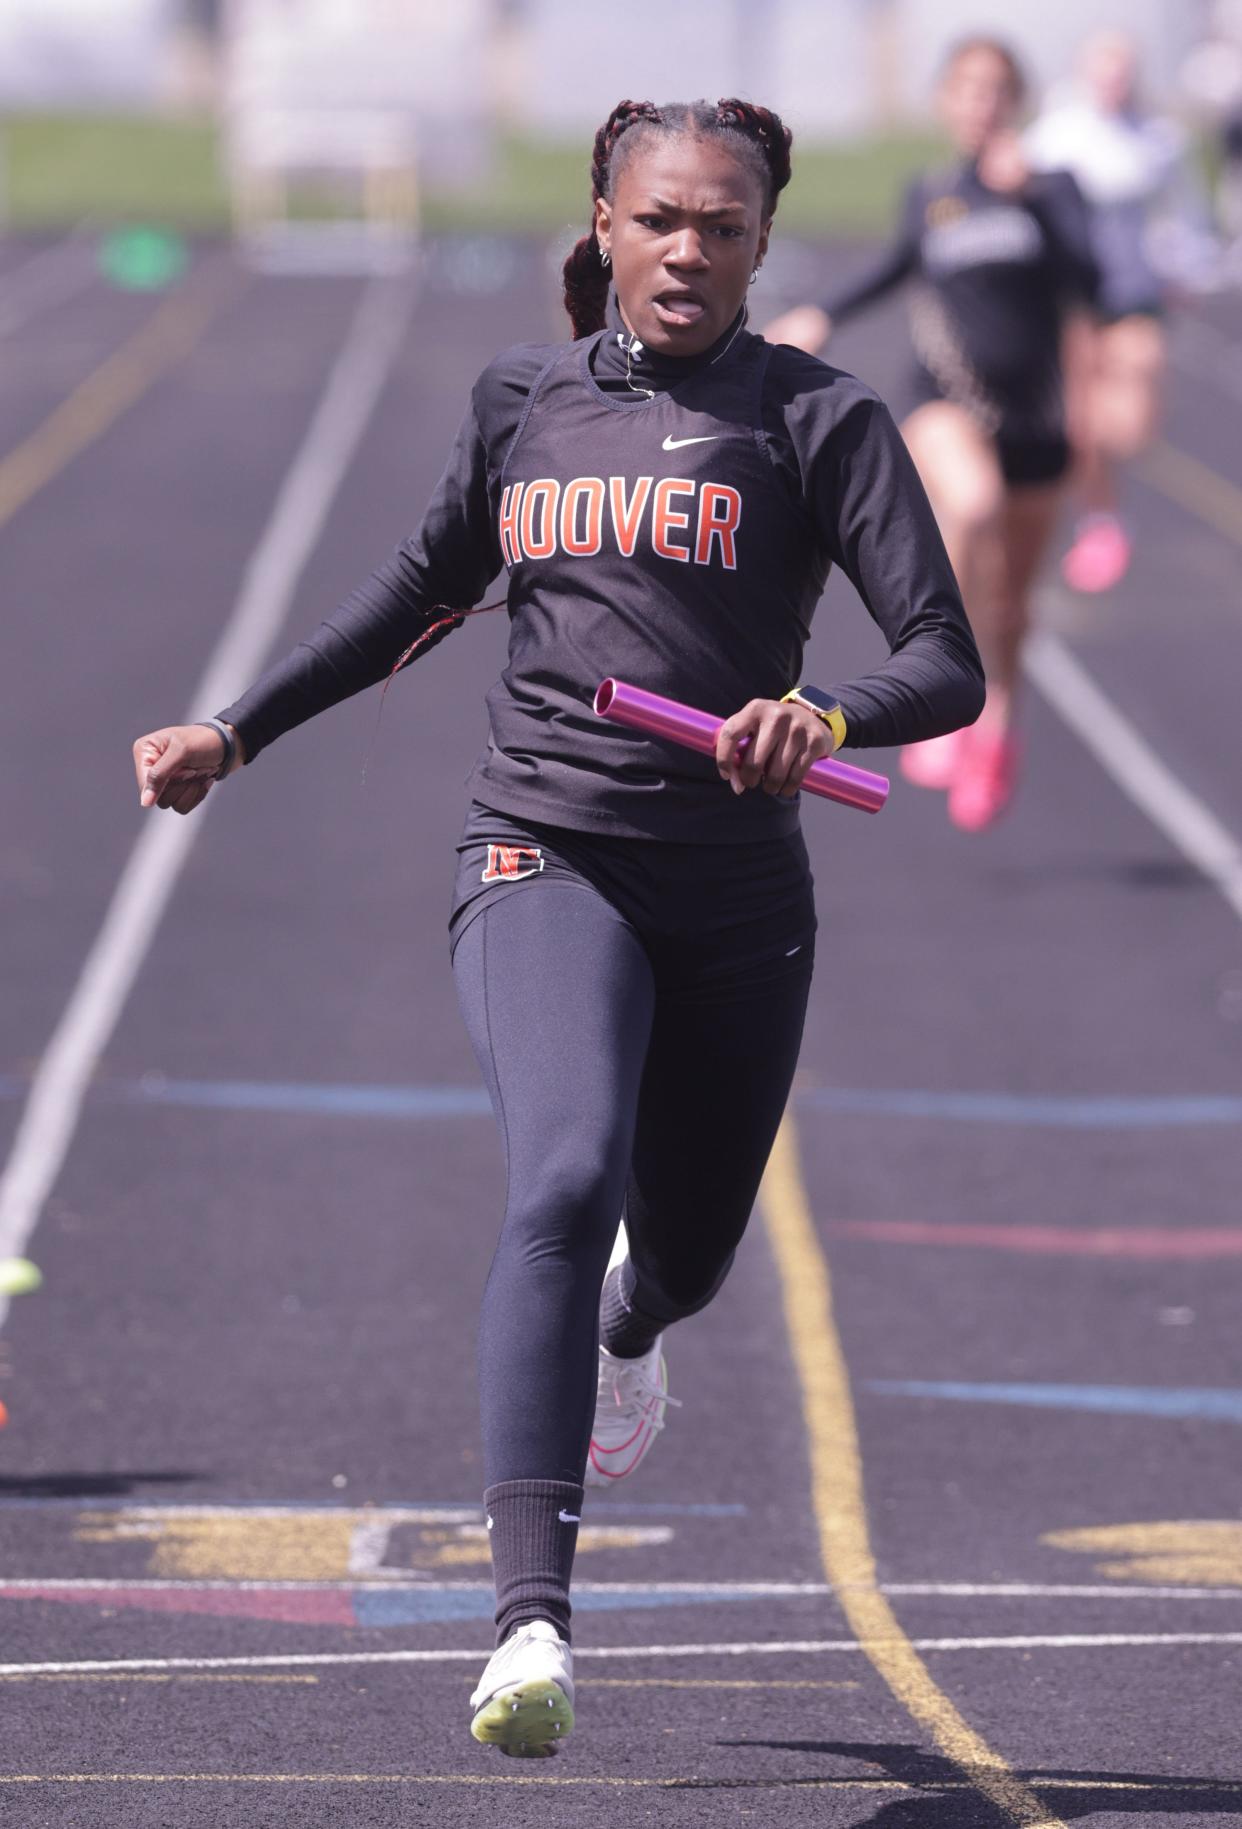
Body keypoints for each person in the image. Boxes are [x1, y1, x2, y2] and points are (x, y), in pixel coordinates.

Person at [131, 96, 983, 1757]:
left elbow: (942, 656)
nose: (686, 252)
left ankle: (630, 1321)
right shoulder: (523, 399)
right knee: (561, 1169)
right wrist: (235, 728)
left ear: (758, 242)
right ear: (602, 219)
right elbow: (419, 589)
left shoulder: (818, 417)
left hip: (736, 888)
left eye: (722, 227)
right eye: (659, 219)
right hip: (541, 849)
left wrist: (825, 707)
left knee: (687, 1248)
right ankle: (528, 1612)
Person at [765, 37, 1098, 831]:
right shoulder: (932, 193)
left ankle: (998, 724)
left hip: (1036, 423)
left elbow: (1093, 282)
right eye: (967, 89)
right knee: (972, 505)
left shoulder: (1053, 189)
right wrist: (823, 313)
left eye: (995, 89)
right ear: (948, 102)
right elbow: (895, 266)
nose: (981, 103)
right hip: (947, 404)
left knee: (1012, 604)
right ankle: (941, 683)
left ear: (1015, 100)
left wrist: (1040, 202)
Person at [1026, 30, 1215, 594]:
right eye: (1105, 74)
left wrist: (1185, 267)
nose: (1115, 85)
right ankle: (1102, 518)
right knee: (1081, 423)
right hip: (1077, 299)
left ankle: (1100, 496)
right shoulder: (1058, 136)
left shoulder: (1160, 139)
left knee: (1128, 424)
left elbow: (1188, 212)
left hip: (1135, 293)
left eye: (1124, 74)